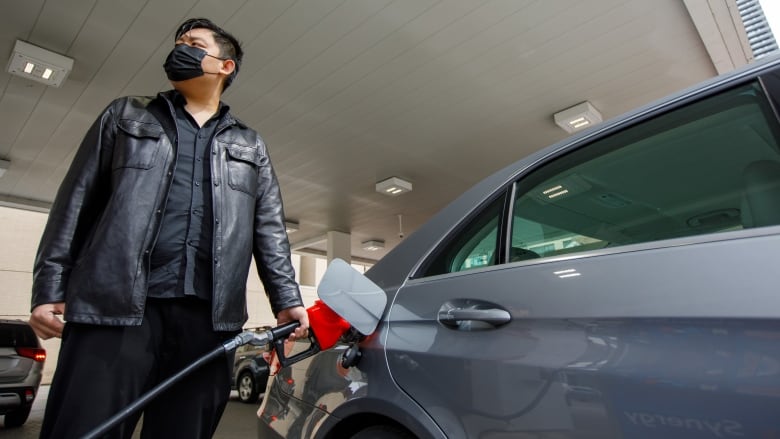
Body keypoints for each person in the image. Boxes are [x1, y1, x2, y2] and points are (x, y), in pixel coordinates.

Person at [29, 17, 309, 439]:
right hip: (114, 310)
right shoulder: (126, 116)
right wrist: (50, 288)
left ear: (225, 67)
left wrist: (287, 299)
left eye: (194, 44)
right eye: (179, 43)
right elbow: (76, 204)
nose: (181, 50)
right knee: (83, 428)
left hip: (208, 322)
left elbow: (269, 230)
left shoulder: (250, 145)